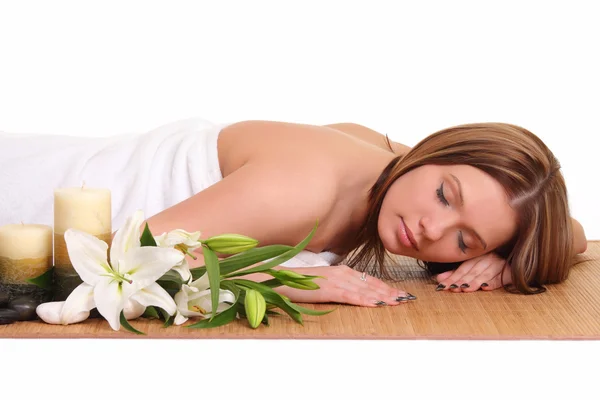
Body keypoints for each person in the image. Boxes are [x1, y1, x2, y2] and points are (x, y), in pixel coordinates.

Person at [0, 118, 588, 307]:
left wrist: (507, 258)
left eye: (464, 241)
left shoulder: (395, 169)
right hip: (32, 205)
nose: (434, 229)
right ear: (435, 151)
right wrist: (289, 279)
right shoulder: (303, 187)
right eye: (445, 196)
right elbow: (123, 261)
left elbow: (573, 233)